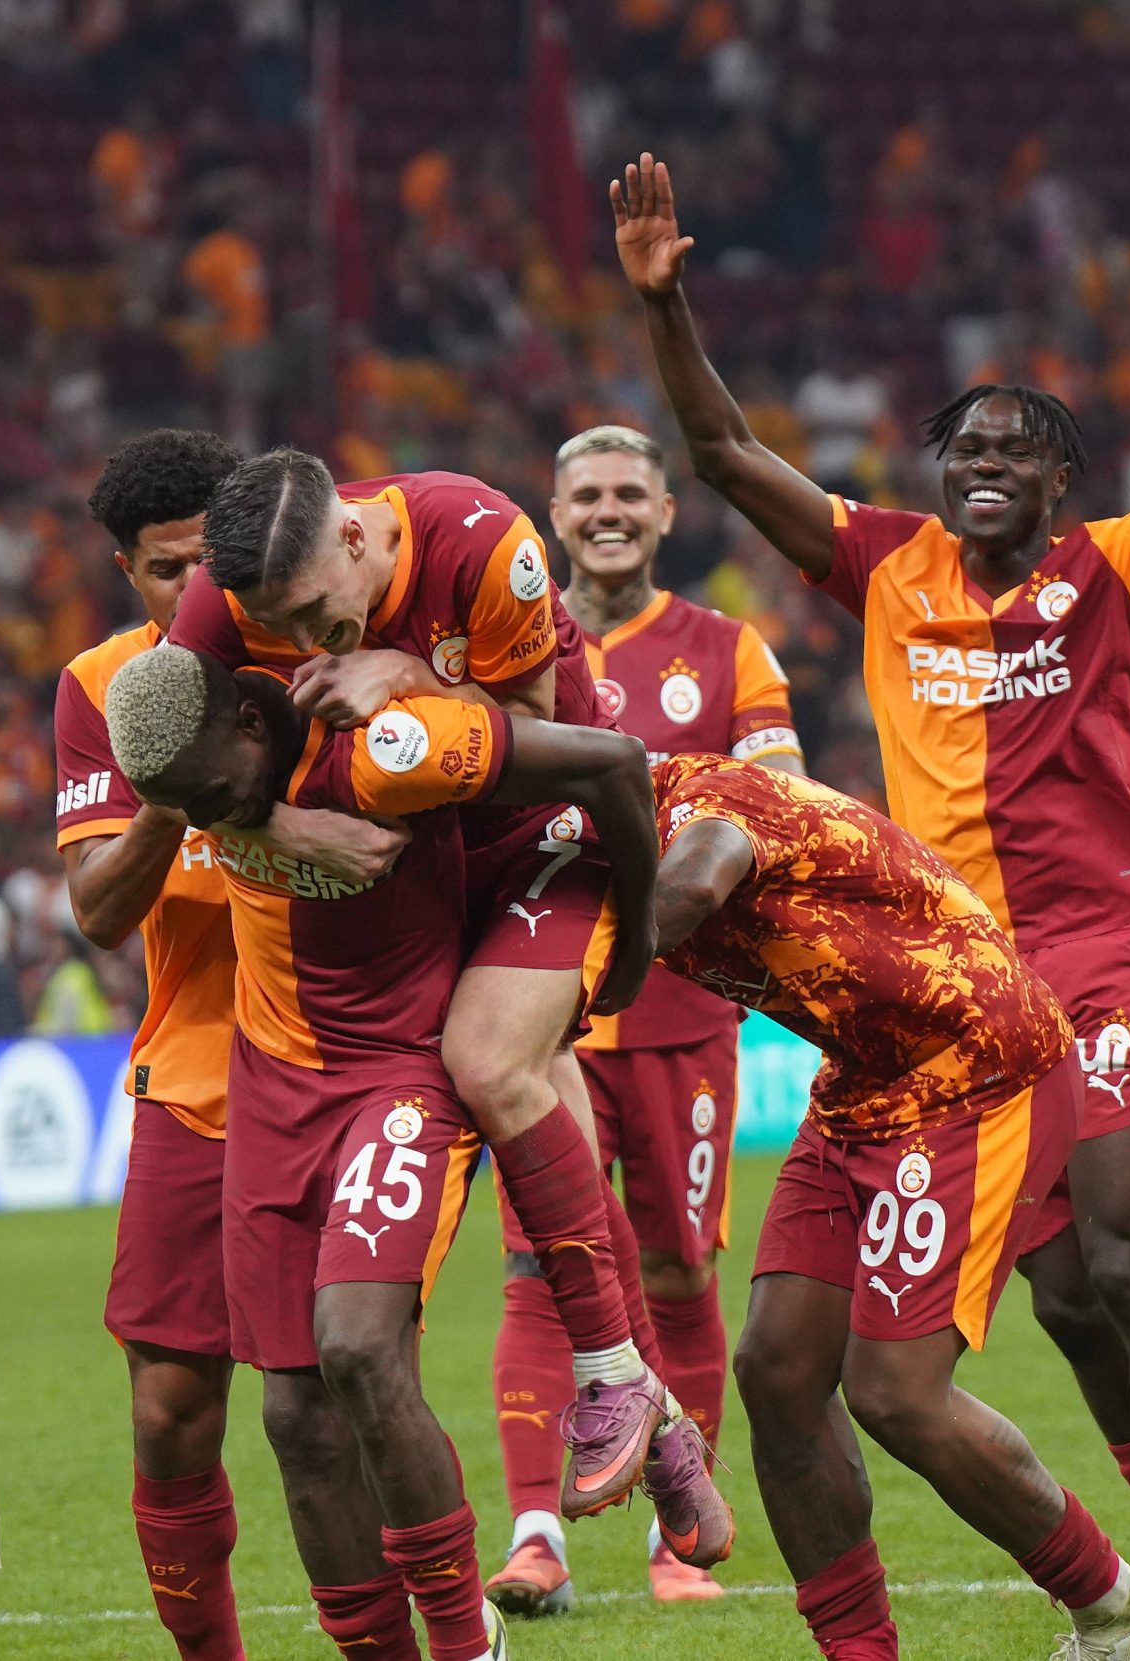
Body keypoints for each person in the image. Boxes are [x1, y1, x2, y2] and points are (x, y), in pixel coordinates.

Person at [617, 102, 1130, 1654]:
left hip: (1101, 953)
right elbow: (722, 452)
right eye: (966, 448)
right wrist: (664, 299)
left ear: (1062, 480)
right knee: (1059, 1304)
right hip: (945, 981)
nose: (986, 465)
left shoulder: (1119, 571)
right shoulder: (886, 563)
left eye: (1017, 451)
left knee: (1124, 1265)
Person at [100, 641, 707, 1660]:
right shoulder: (209, 774)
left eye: (208, 793)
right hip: (271, 1084)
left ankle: (471, 1645)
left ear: (251, 727)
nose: (207, 817)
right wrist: (259, 818)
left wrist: (631, 935)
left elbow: (608, 759)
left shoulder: (388, 743)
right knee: (294, 1413)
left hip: (402, 1071)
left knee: (356, 1343)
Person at [174, 450, 721, 1530]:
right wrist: (282, 822)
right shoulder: (225, 600)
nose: (304, 644)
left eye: (318, 615)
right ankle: (654, 1410)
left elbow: (542, 734)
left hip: (539, 831)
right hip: (426, 851)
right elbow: (174, 756)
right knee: (539, 1114)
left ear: (353, 538)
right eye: (273, 625)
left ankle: (614, 1373)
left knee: (487, 1061)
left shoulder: (483, 542)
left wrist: (406, 676)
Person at [650, 753, 1130, 1661]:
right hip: (860, 1082)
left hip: (976, 1071)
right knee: (778, 1369)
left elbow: (699, 875)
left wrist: (587, 962)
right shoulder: (580, 846)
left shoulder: (705, 797)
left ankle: (1119, 1606)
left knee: (894, 1390)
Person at [60, 427, 415, 1659]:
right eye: (165, 574)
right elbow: (100, 911)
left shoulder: (331, 652)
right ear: (126, 573)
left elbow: (396, 856)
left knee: (334, 1399)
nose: (194, 597)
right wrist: (177, 779)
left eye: (207, 565)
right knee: (169, 1412)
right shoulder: (102, 687)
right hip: (196, 1081)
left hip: (340, 1066)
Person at [486, 422, 807, 1614]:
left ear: (668, 512)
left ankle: (680, 1535)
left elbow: (772, 808)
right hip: (540, 1017)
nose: (609, 510)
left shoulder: (730, 652)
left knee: (676, 1265)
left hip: (682, 1017)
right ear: (553, 514)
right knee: (539, 1265)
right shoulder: (505, 644)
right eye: (587, 495)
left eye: (631, 492)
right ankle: (535, 1537)